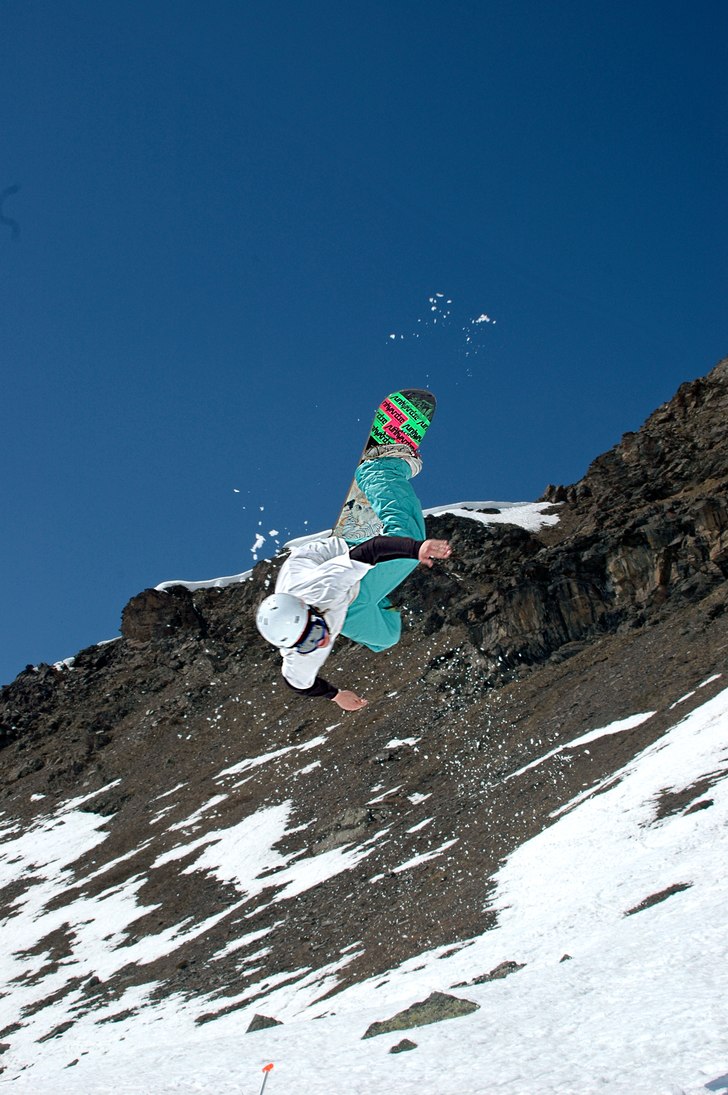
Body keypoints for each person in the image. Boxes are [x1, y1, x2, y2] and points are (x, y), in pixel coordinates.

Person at [255, 445, 452, 710]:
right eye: (309, 643)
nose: (320, 641)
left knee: (407, 537)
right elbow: (299, 685)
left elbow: (373, 550)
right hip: (346, 603)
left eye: (315, 632)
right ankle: (379, 589)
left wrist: (416, 549)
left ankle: (380, 470)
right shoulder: (299, 656)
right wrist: (336, 696)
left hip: (336, 557)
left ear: (309, 610)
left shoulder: (324, 587)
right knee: (386, 638)